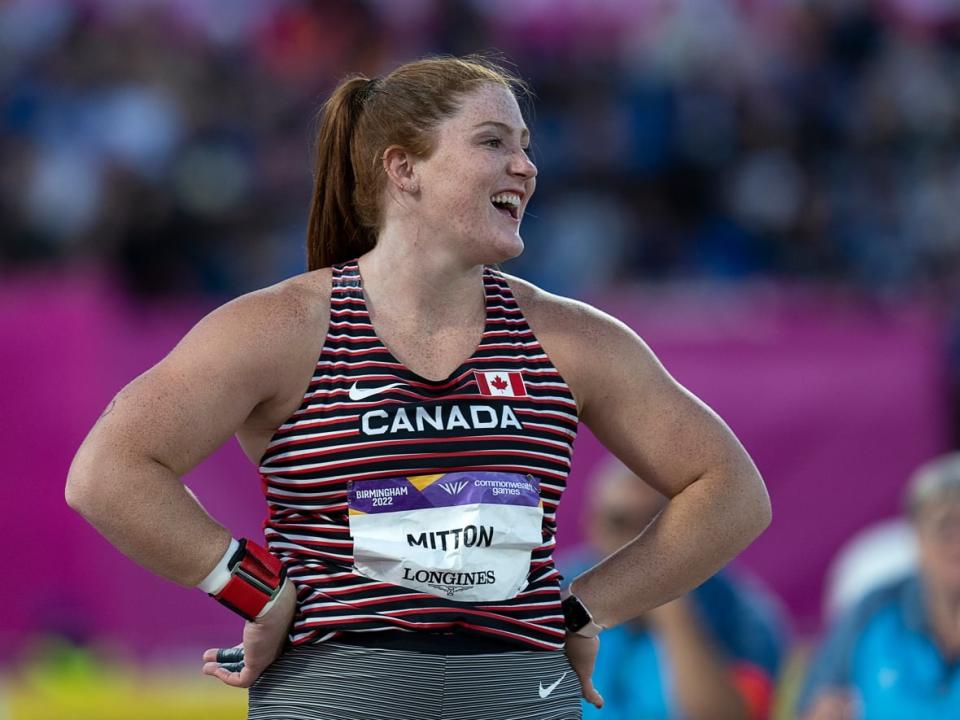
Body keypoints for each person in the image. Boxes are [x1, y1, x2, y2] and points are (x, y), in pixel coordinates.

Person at [65, 55, 771, 720]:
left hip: (516, 690)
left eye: (526, 146)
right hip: (337, 691)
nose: (525, 167)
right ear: (403, 169)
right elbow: (108, 472)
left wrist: (584, 608)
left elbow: (733, 492)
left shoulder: (574, 339)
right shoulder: (282, 328)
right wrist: (254, 588)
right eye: (493, 142)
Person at [561, 456, 786, 720]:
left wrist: (672, 609)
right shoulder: (556, 591)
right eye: (620, 522)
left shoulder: (738, 612)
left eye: (654, 523)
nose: (635, 542)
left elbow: (733, 715)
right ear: (593, 524)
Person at [797, 452, 960, 720]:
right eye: (945, 527)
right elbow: (812, 704)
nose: (957, 543)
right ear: (917, 536)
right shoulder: (874, 611)